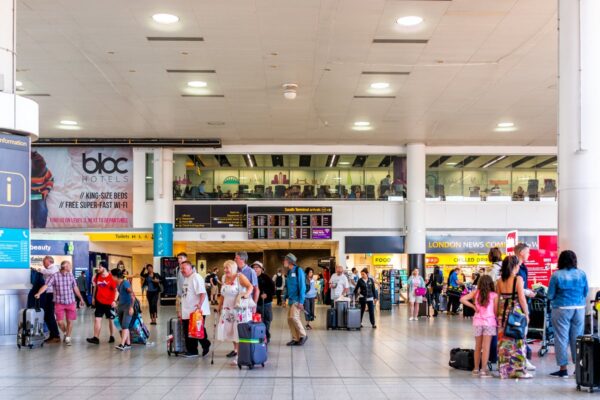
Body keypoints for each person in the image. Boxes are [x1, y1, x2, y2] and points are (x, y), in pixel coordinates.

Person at [548, 250, 588, 378]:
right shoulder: (582, 274)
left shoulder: (556, 275)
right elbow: (585, 292)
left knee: (561, 338)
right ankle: (578, 368)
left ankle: (563, 369)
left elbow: (550, 295)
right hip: (579, 308)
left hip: (561, 308)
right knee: (577, 338)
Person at [496, 255, 532, 379]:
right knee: (518, 342)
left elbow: (497, 299)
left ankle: (504, 371)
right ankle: (519, 371)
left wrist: (497, 314)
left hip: (502, 313)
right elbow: (521, 298)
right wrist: (527, 314)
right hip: (515, 313)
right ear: (515, 266)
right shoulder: (518, 279)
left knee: (503, 343)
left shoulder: (500, 280)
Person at [34, 261, 85, 346]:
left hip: (70, 301)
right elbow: (46, 285)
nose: (71, 267)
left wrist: (81, 298)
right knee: (60, 322)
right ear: (65, 267)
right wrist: (39, 293)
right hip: (59, 303)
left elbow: (75, 287)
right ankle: (65, 332)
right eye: (69, 266)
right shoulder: (55, 276)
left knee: (70, 321)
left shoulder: (71, 275)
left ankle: (68, 337)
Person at [460, 274, 498, 378]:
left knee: (478, 346)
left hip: (477, 322)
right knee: (486, 347)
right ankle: (483, 370)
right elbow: (495, 311)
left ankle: (476, 369)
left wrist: (473, 306)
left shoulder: (475, 293)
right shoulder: (494, 295)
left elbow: (462, 299)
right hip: (489, 323)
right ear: (491, 284)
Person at [217, 260, 254, 365]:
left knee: (238, 330)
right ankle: (236, 350)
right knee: (230, 330)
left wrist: (246, 295)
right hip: (227, 308)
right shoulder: (224, 278)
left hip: (238, 308)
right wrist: (219, 306)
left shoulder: (239, 277)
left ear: (233, 268)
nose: (225, 270)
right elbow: (223, 294)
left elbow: (250, 286)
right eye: (224, 268)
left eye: (227, 268)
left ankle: (240, 356)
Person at [178, 260, 211, 358]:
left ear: (191, 268)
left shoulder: (196, 277)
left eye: (184, 268)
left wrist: (200, 304)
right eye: (181, 268)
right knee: (188, 331)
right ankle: (192, 350)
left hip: (196, 310)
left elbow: (202, 293)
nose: (182, 270)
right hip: (187, 310)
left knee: (197, 330)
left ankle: (204, 344)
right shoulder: (187, 279)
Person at [514, 242, 537, 371]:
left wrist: (527, 291)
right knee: (520, 333)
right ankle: (521, 360)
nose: (529, 254)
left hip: (521, 302)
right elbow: (516, 287)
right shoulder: (515, 267)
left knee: (522, 333)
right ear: (521, 252)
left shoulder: (523, 267)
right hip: (517, 304)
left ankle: (521, 359)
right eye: (528, 252)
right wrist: (526, 292)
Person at [86, 261, 117, 344]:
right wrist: (93, 298)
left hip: (109, 303)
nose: (98, 268)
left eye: (100, 267)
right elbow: (95, 287)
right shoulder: (97, 276)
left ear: (104, 268)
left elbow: (116, 291)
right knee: (97, 319)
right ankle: (96, 338)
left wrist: (114, 300)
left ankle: (112, 336)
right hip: (99, 301)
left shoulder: (111, 277)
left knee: (111, 320)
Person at [33, 256, 61, 343]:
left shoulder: (54, 269)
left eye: (44, 262)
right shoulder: (49, 269)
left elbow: (49, 272)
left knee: (50, 315)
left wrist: (39, 270)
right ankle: (53, 334)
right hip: (48, 294)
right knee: (47, 315)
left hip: (51, 294)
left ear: (49, 262)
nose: (43, 264)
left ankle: (56, 335)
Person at [283, 253, 307, 346]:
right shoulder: (289, 272)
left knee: (294, 317)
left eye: (285, 260)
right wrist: (284, 298)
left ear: (290, 261)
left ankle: (303, 335)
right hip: (290, 299)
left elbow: (302, 287)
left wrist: (301, 301)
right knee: (290, 319)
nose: (284, 261)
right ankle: (295, 338)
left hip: (297, 300)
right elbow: (287, 287)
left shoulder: (298, 270)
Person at [253, 261, 275, 342]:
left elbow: (273, 289)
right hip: (255, 303)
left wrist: (267, 294)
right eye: (254, 267)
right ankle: (259, 335)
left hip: (265, 303)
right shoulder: (251, 277)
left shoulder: (266, 277)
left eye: (257, 267)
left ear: (261, 269)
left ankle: (266, 336)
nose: (255, 269)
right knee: (256, 320)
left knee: (266, 320)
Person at [31, 151, 54, 228]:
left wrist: (47, 190)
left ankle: (40, 227)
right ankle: (34, 225)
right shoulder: (26, 171)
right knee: (33, 209)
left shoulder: (45, 170)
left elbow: (50, 180)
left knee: (42, 208)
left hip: (41, 192)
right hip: (29, 193)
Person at [113, 268, 135, 351]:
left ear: (116, 276)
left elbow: (132, 295)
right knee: (123, 326)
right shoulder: (119, 284)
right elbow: (120, 294)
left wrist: (131, 307)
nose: (112, 278)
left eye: (112, 276)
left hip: (127, 307)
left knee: (125, 325)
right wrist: (115, 302)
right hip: (121, 306)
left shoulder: (125, 283)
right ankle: (128, 344)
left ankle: (122, 344)